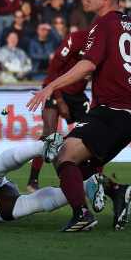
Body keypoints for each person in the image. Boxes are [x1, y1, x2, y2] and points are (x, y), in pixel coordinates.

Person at [27, 0, 131, 231]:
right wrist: (128, 73)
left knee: (62, 155)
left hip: (112, 110)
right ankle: (118, 192)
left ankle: (82, 214)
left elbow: (88, 64)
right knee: (82, 166)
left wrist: (51, 85)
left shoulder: (104, 24)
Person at [26, 29, 90, 192]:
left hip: (77, 94)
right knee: (48, 133)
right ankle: (33, 180)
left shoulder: (104, 44)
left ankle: (92, 178)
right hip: (54, 88)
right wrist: (60, 100)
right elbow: (52, 71)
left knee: (93, 132)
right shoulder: (75, 39)